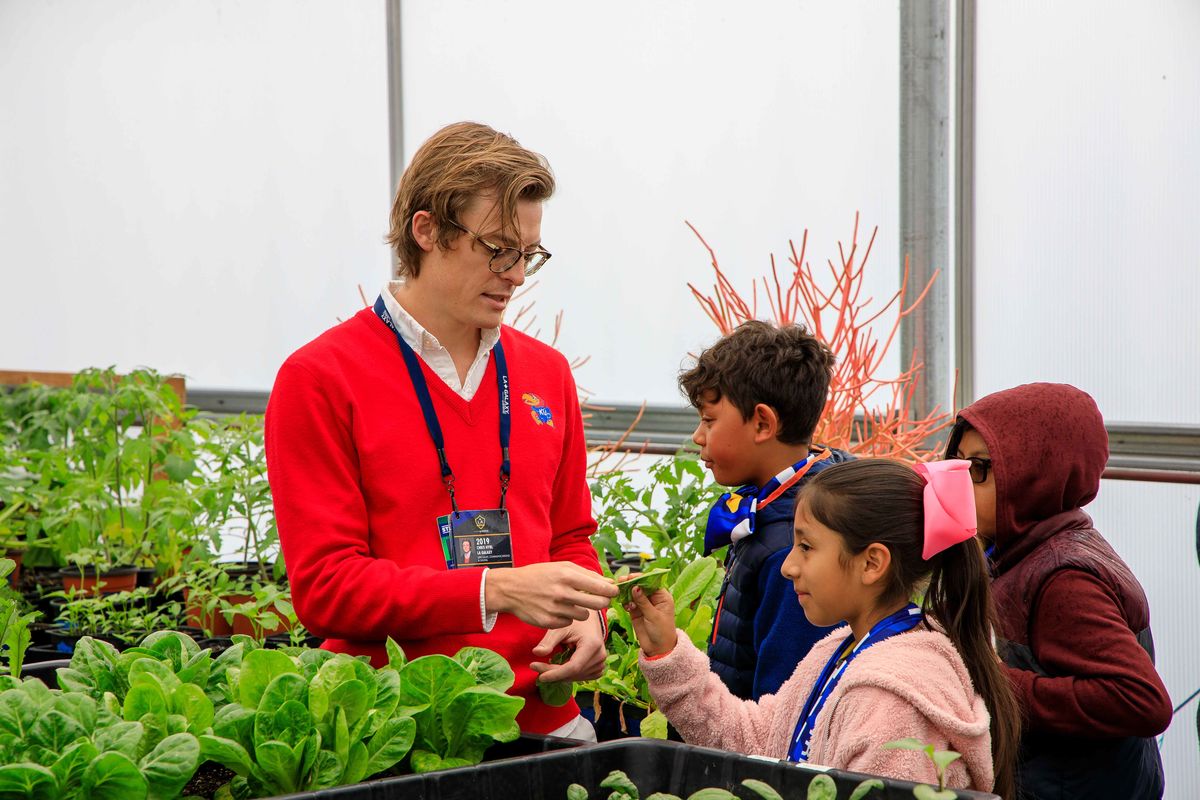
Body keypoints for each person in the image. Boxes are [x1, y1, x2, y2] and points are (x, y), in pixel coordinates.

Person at [264, 121, 618, 738]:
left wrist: (590, 618)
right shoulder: (320, 378)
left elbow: (571, 536)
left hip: (540, 718)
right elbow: (326, 587)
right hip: (389, 731)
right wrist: (495, 590)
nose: (516, 274)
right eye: (498, 248)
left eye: (529, 254)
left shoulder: (545, 373)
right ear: (426, 231)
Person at [627, 459, 1021, 797]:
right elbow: (758, 740)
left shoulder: (889, 702)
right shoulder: (842, 648)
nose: (788, 566)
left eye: (806, 546)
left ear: (872, 563)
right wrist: (667, 652)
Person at [946, 382, 1172, 799]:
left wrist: (990, 681)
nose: (959, 483)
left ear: (1035, 472)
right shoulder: (1023, 547)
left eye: (978, 468)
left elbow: (1140, 700)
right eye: (956, 464)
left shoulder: (1063, 579)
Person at [680, 320, 851, 699]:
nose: (698, 436)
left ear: (762, 424)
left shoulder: (793, 548)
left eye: (709, 420)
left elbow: (784, 701)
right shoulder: (778, 507)